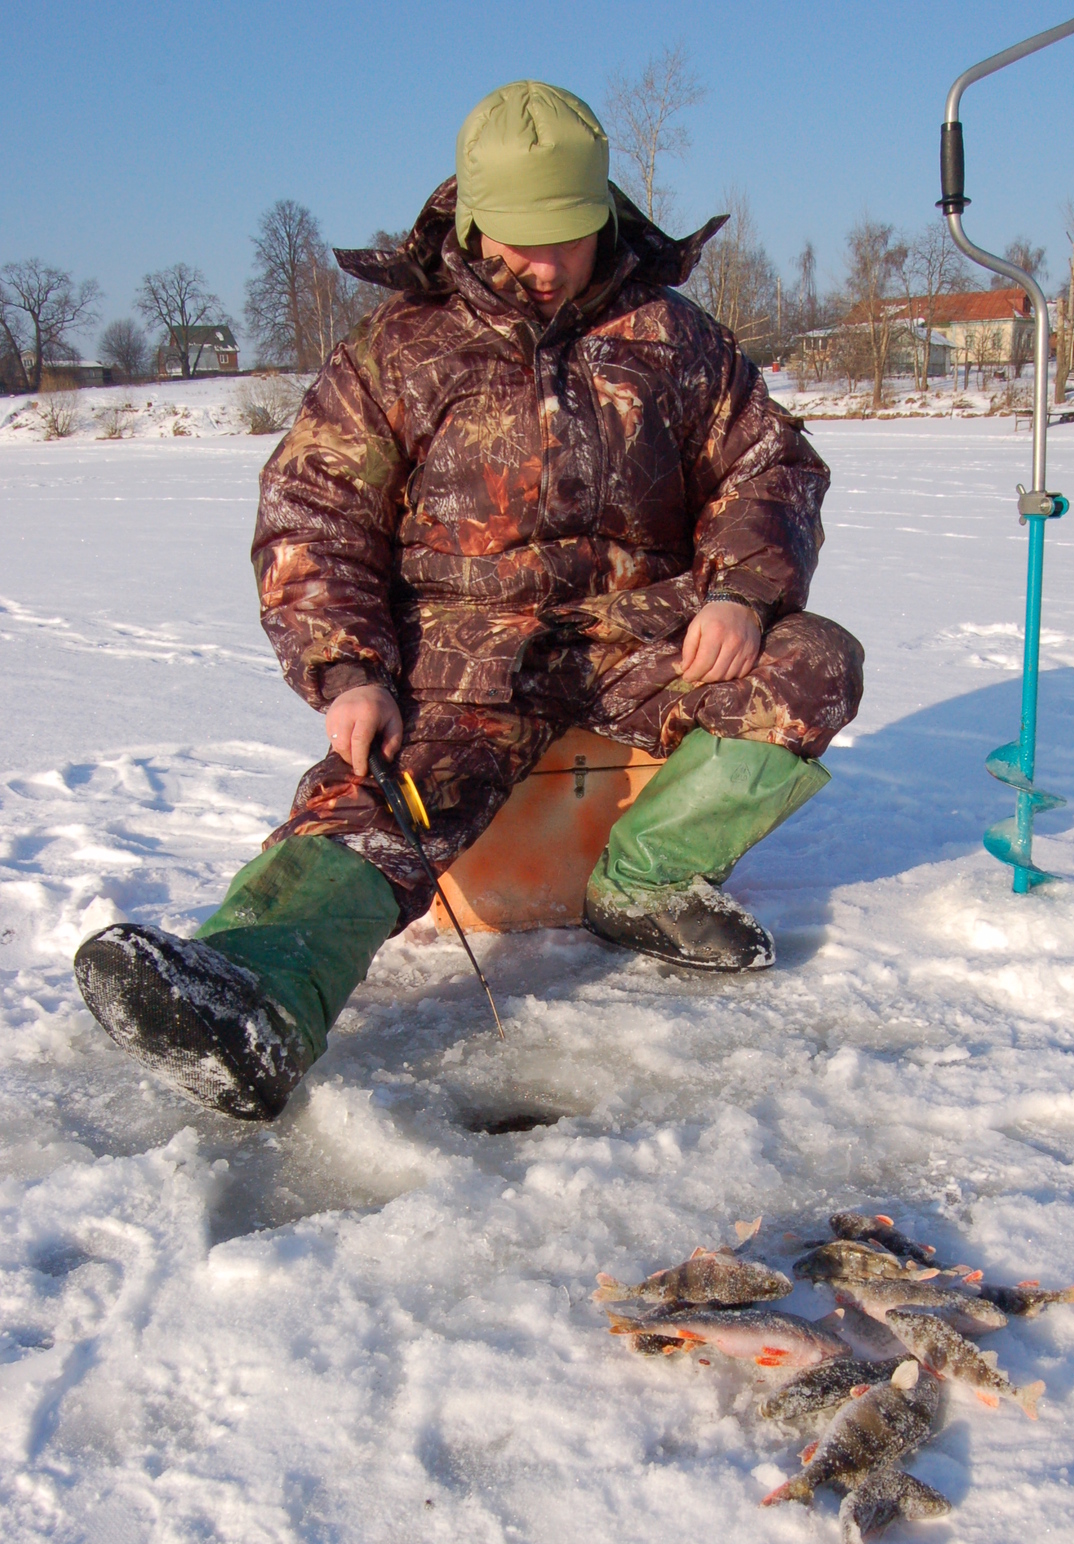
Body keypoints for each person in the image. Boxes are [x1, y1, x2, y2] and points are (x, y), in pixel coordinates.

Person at [75, 80, 864, 1121]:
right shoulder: (397, 352)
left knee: (815, 661)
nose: (543, 265)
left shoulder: (676, 340)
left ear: (604, 214)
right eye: (520, 238)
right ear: (474, 217)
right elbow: (313, 517)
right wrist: (350, 668)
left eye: (567, 237)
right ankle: (259, 998)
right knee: (376, 801)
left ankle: (647, 880)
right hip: (465, 658)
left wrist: (741, 592)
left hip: (643, 635)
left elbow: (770, 467)